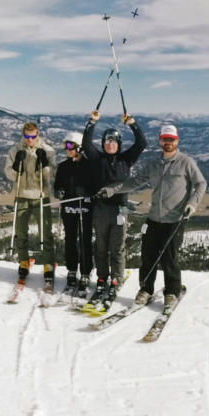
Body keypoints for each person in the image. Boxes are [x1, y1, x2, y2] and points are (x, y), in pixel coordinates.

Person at [99, 123, 206, 312]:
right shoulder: (154, 164)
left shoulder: (186, 162)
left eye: (171, 140)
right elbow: (134, 182)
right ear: (160, 140)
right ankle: (145, 290)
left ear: (177, 141)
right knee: (147, 256)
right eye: (165, 139)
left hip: (175, 219)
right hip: (154, 217)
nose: (168, 142)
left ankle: (171, 292)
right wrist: (111, 190)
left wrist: (192, 204)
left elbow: (200, 183)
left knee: (169, 258)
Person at [83, 110, 147, 304]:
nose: (110, 144)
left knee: (117, 248)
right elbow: (86, 144)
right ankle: (102, 277)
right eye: (107, 141)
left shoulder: (126, 159)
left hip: (119, 209)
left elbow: (141, 143)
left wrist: (133, 124)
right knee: (101, 246)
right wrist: (92, 122)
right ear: (103, 143)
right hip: (100, 209)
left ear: (118, 144)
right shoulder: (97, 159)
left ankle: (116, 278)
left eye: (114, 141)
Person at [3, 122, 56, 283]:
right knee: (20, 231)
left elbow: (50, 175)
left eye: (33, 136)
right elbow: (9, 174)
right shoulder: (15, 150)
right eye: (27, 136)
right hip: (21, 195)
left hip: (41, 195)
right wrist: (16, 166)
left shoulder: (47, 150)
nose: (30, 139)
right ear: (23, 135)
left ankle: (48, 263)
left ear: (38, 135)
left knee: (45, 232)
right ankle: (23, 261)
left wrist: (44, 164)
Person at [53, 132, 93, 292]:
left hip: (85, 207)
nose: (67, 149)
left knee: (85, 239)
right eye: (65, 146)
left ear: (79, 148)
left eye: (69, 146)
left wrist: (87, 191)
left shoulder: (89, 166)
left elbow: (95, 186)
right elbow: (57, 185)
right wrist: (58, 191)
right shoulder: (64, 166)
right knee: (70, 238)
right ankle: (71, 269)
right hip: (69, 207)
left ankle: (85, 271)